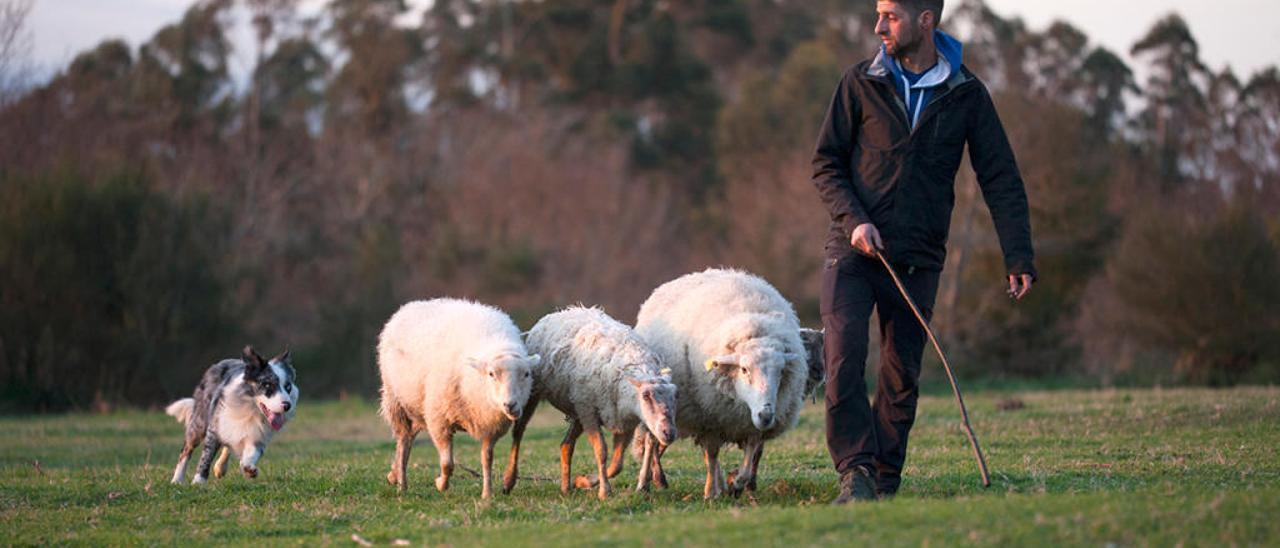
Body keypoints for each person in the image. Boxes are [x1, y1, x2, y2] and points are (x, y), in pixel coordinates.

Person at [811, 0, 1036, 503]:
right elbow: (826, 164)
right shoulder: (858, 83)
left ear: (925, 20)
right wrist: (856, 220)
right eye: (878, 14)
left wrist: (1018, 256)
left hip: (918, 256)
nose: (878, 26)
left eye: (890, 15)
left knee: (901, 375)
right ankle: (855, 472)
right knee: (843, 356)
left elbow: (1000, 176)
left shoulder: (967, 95)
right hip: (852, 251)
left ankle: (883, 481)